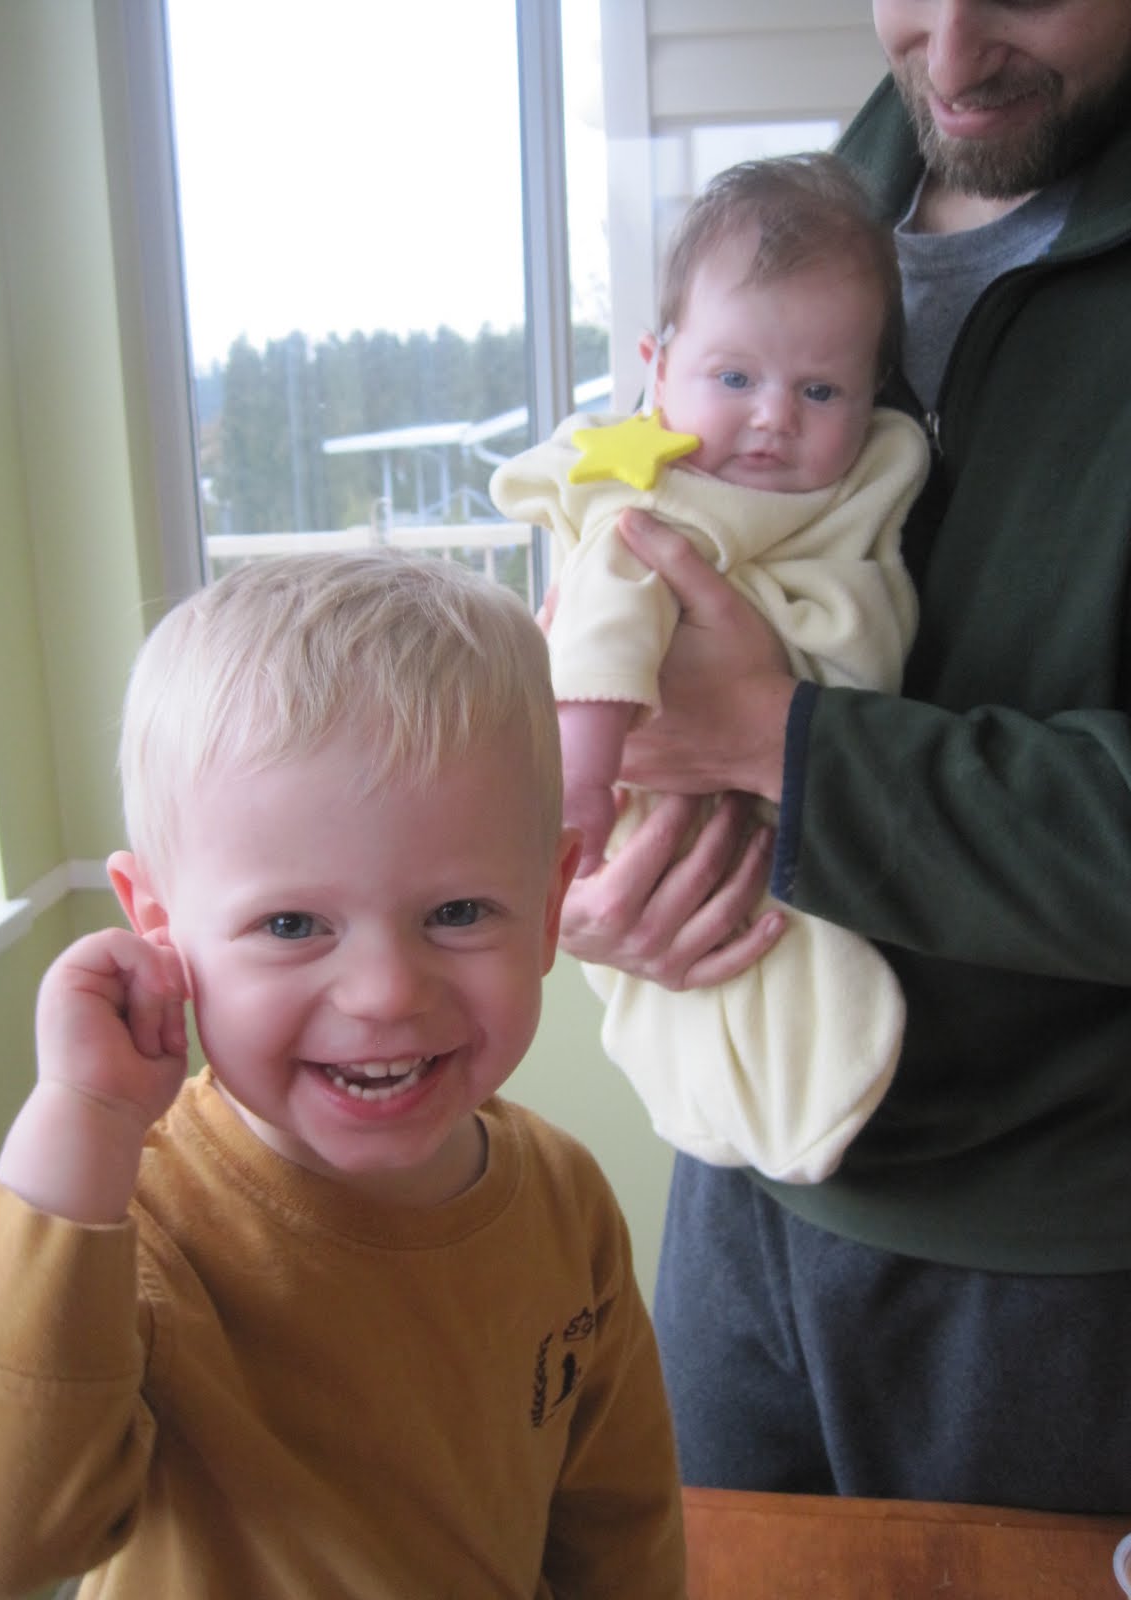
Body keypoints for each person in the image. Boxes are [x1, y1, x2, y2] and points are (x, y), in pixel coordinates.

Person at [557, 0, 1131, 1516]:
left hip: (1049, 1247)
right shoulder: (815, 209)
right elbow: (622, 572)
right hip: (733, 1154)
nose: (952, 57)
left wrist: (786, 747)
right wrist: (590, 878)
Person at [0, 552, 687, 1599]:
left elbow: (620, 1523)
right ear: (159, 927)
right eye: (291, 924)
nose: (384, 992)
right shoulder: (131, 1227)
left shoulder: (566, 1200)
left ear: (550, 905)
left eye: (457, 912)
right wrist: (81, 1120)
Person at [491, 153, 929, 1181]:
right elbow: (603, 610)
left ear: (871, 393)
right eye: (735, 378)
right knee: (692, 938)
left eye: (820, 389)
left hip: (804, 799)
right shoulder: (652, 492)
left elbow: (870, 605)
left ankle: (791, 1092)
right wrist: (581, 781)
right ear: (658, 368)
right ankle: (732, 1096)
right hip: (632, 789)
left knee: (776, 943)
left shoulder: (867, 480)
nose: (773, 417)